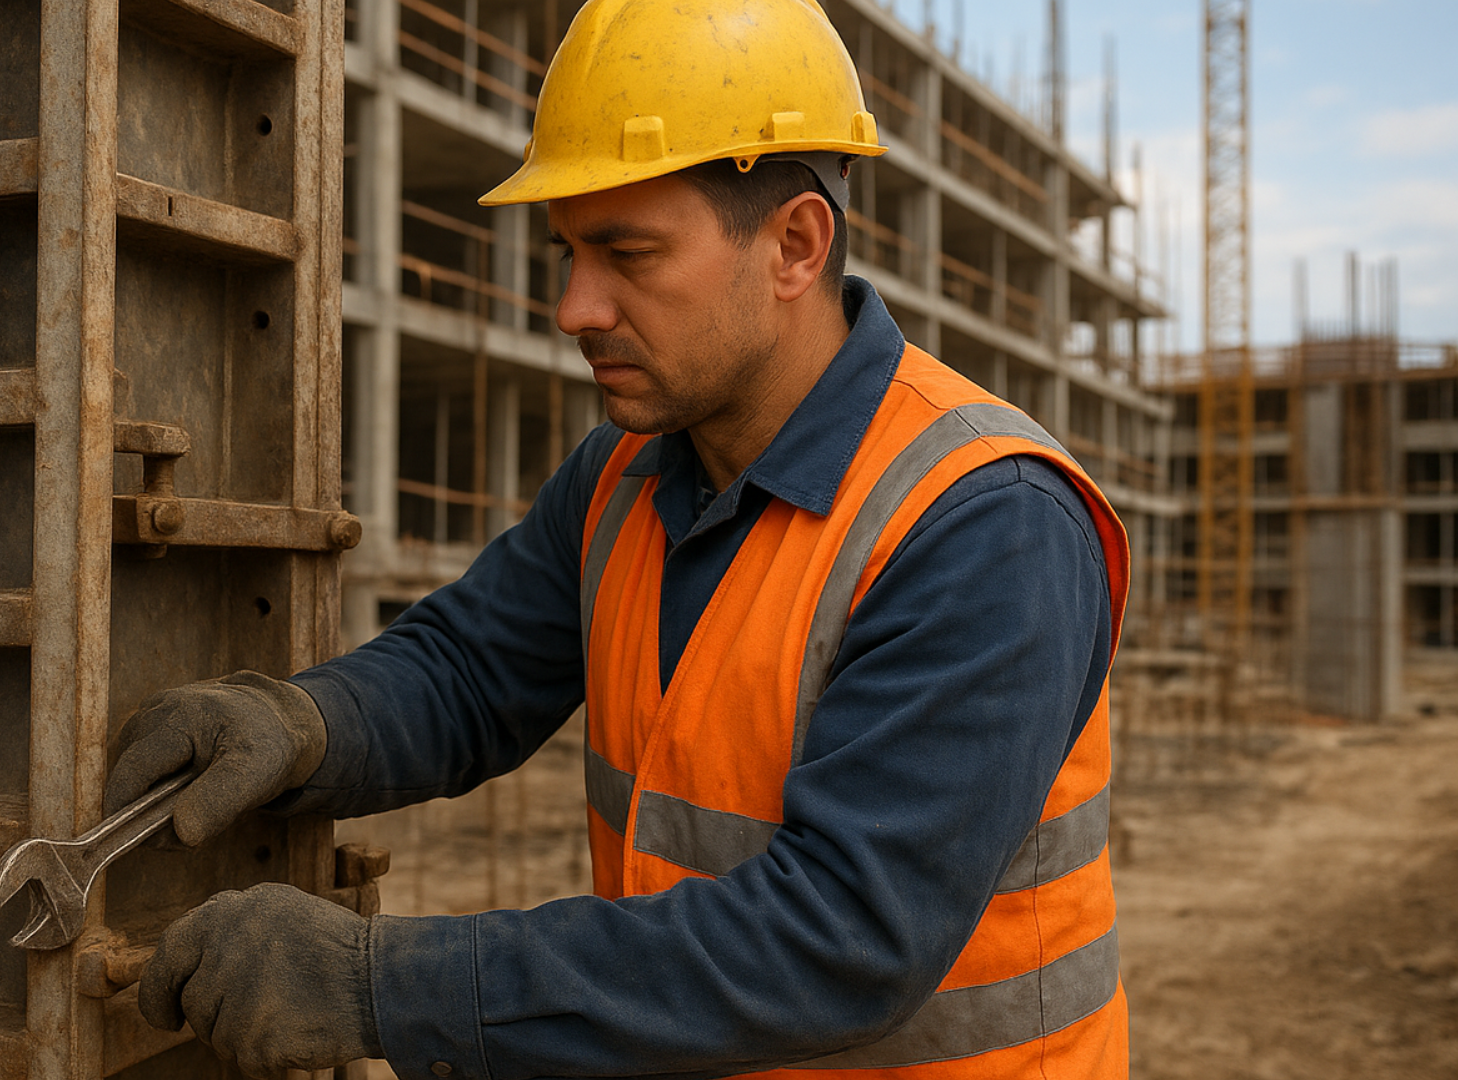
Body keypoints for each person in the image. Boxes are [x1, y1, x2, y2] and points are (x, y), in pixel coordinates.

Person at [102, 0, 1131, 1075]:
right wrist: (302, 725)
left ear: (793, 244)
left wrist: (380, 987)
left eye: (626, 253)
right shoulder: (628, 475)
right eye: (567, 251)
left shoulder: (982, 520)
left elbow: (842, 937)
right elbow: (469, 672)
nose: (574, 306)